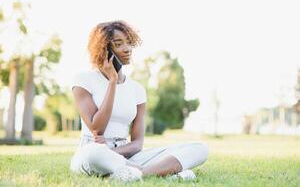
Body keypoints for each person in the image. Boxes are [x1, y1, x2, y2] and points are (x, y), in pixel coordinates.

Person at [70, 20, 209, 182]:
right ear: (104, 49)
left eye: (129, 43)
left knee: (199, 149)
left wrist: (115, 152)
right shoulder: (83, 80)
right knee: (94, 153)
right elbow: (97, 128)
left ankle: (138, 173)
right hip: (93, 154)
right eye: (118, 44)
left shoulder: (137, 90)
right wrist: (112, 81)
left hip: (128, 155)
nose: (127, 49)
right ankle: (164, 174)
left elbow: (137, 144)